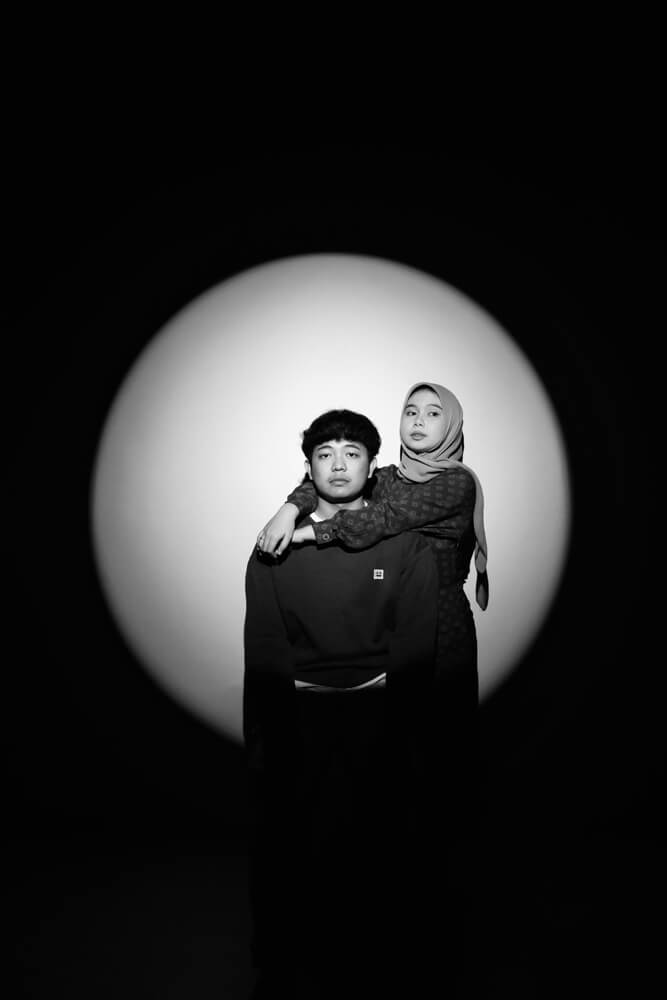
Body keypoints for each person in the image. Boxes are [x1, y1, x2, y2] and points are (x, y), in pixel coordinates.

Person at [256, 382, 489, 990]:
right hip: (391, 617)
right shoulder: (383, 475)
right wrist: (288, 507)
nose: (419, 422)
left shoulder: (455, 484)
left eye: (433, 413)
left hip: (440, 628)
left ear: (452, 425)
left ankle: (439, 924)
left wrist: (307, 533)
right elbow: (331, 474)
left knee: (437, 774)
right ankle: (373, 915)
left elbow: (378, 519)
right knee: (385, 781)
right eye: (411, 411)